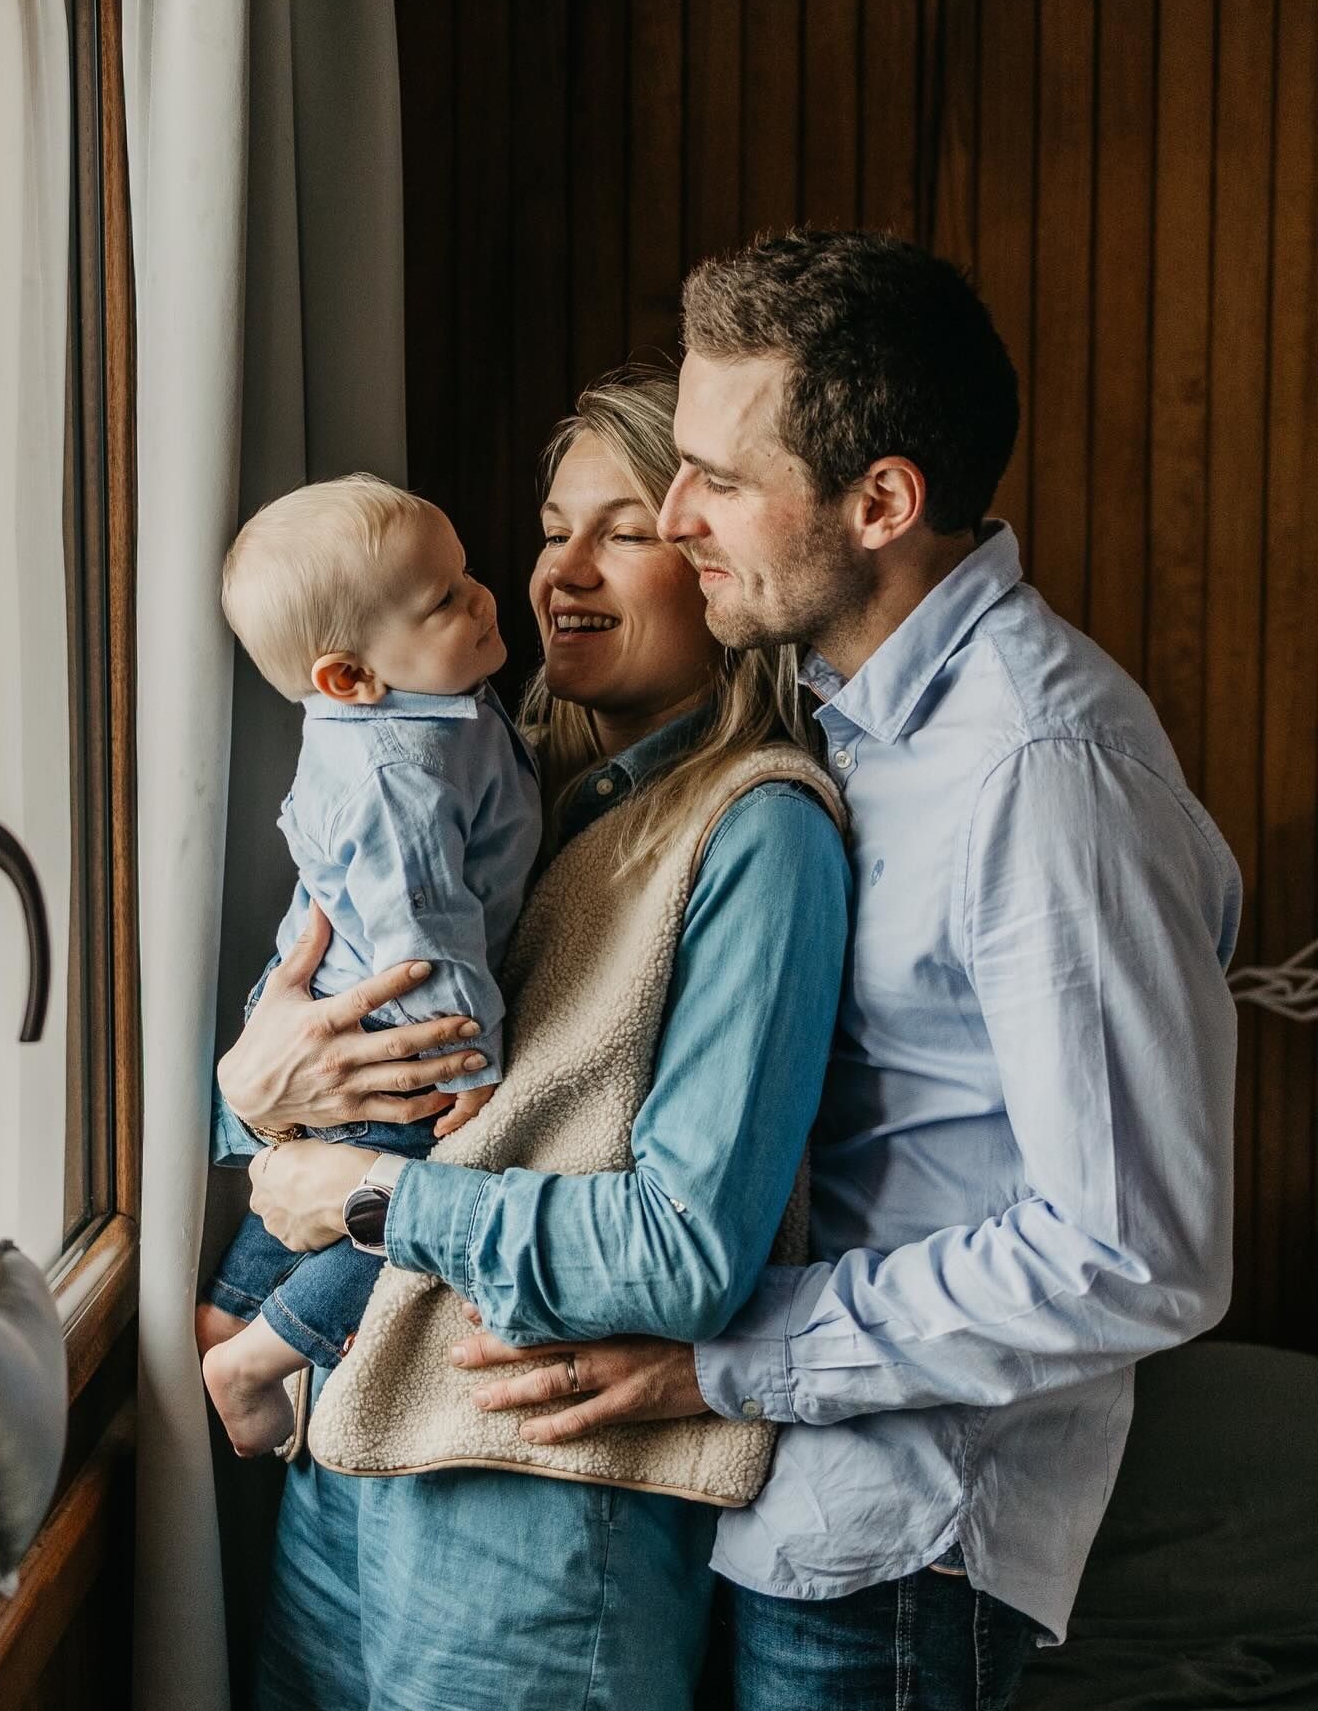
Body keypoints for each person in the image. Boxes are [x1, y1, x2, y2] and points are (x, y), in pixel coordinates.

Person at [443, 231, 1243, 1709]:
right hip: (787, 1503)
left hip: (901, 1544)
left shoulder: (1040, 770)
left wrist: (728, 1358)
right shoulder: (850, 719)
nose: (677, 519)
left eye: (719, 482)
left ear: (882, 501)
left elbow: (1142, 1251)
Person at [216, 366, 853, 1710]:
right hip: (348, 1466)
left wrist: (372, 1196)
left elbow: (681, 1254)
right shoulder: (476, 784)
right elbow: (333, 1081)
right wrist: (248, 1096)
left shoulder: (760, 830)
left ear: (717, 572)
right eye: (553, 529)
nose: (563, 571)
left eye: (624, 532)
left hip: (544, 1533)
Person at [196, 475, 541, 1457]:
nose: (481, 597)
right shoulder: (398, 776)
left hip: (343, 1015)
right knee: (407, 1205)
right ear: (349, 678)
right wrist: (471, 1067)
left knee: (325, 1171)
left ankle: (228, 1312)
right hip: (392, 1029)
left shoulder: (431, 709)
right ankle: (259, 1353)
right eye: (444, 600)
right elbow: (421, 934)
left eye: (467, 573)